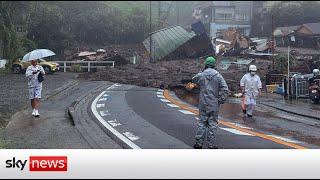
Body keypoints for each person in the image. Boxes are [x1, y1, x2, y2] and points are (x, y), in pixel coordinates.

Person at [192, 56, 229, 149]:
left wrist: (201, 72)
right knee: (212, 124)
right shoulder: (218, 76)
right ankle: (211, 144)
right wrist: (221, 100)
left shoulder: (202, 75)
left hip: (203, 103)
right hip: (214, 104)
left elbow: (193, 79)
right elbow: (225, 89)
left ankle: (199, 143)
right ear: (214, 65)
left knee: (202, 122)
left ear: (206, 64)